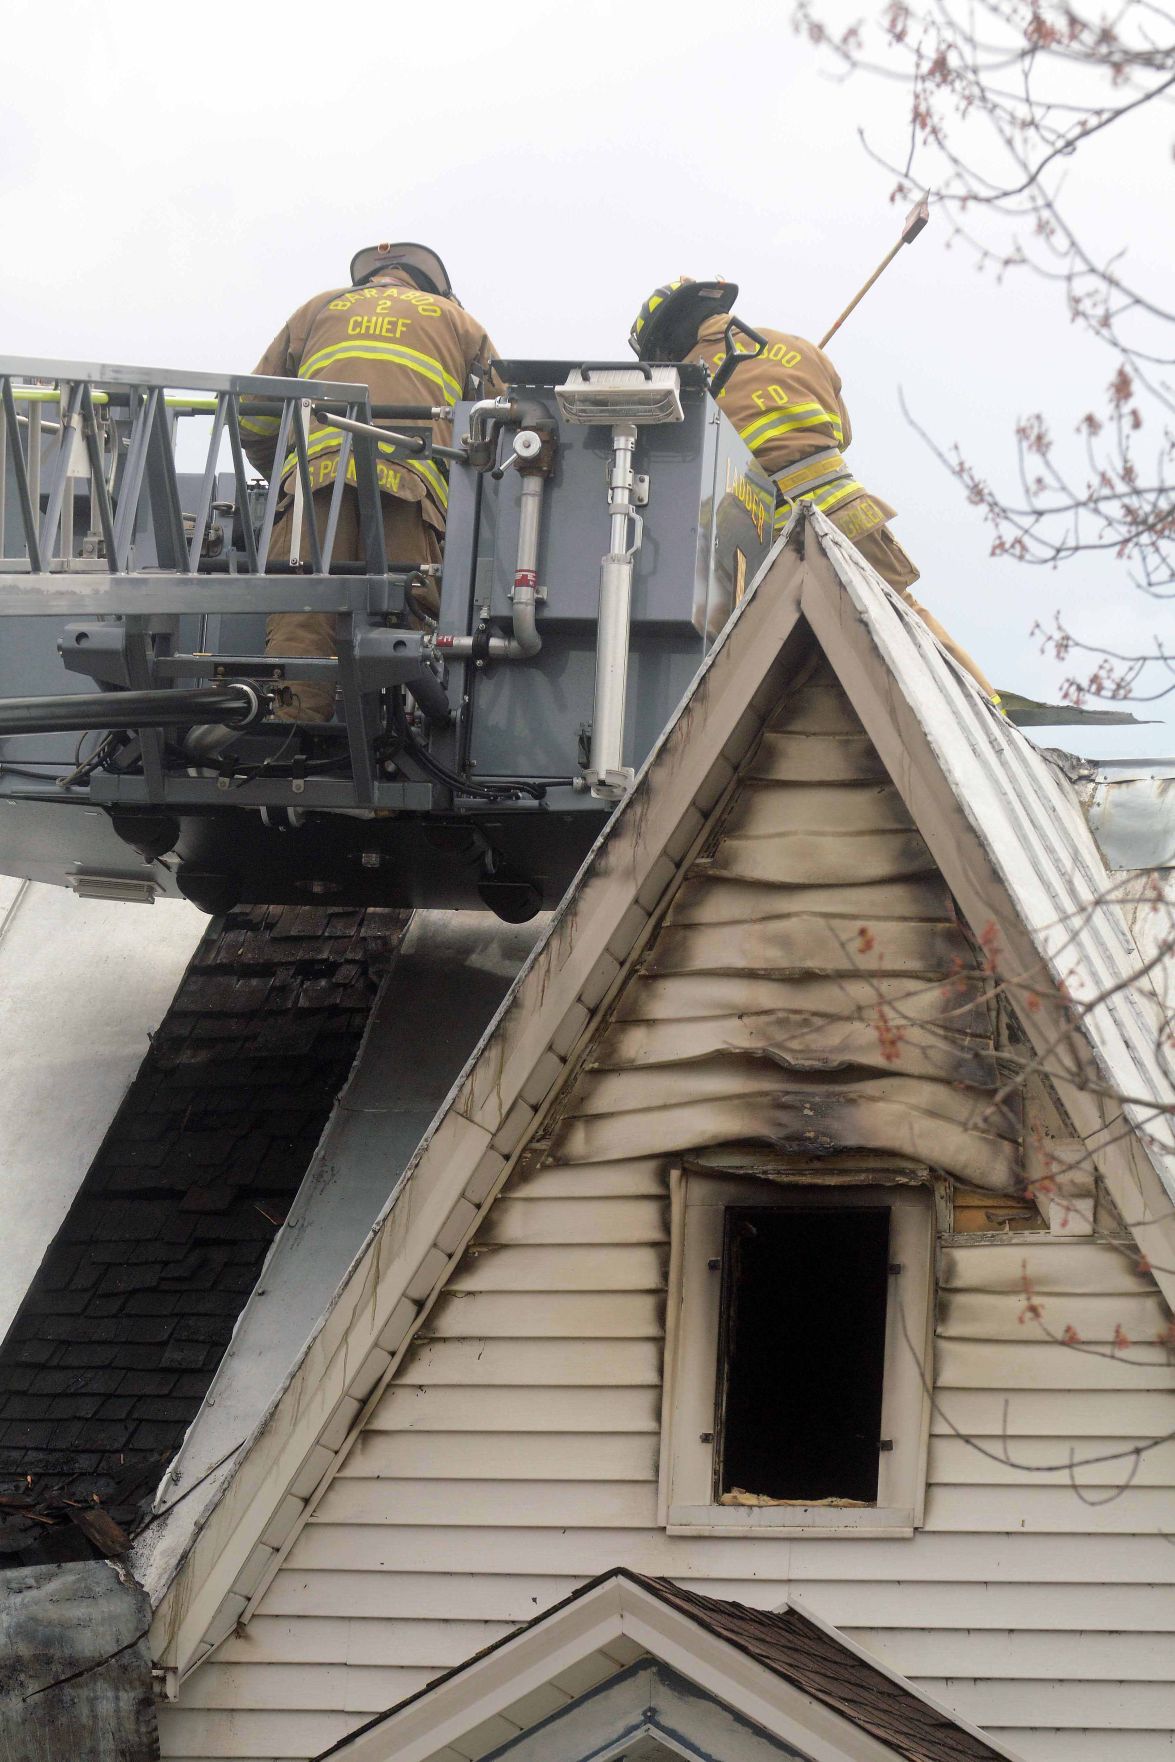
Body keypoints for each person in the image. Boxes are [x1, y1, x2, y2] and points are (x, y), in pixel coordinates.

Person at [628, 278, 995, 697]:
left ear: (665, 335)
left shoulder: (682, 389)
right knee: (905, 618)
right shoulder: (801, 349)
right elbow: (842, 436)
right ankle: (986, 705)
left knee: (721, 650)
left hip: (760, 541)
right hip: (849, 513)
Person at [241, 242, 501, 721]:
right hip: (410, 490)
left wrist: (285, 478)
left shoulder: (317, 308)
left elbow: (253, 414)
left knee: (305, 610)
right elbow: (502, 424)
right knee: (409, 618)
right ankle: (404, 738)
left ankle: (292, 732)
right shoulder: (457, 321)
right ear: (430, 285)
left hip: (316, 489)